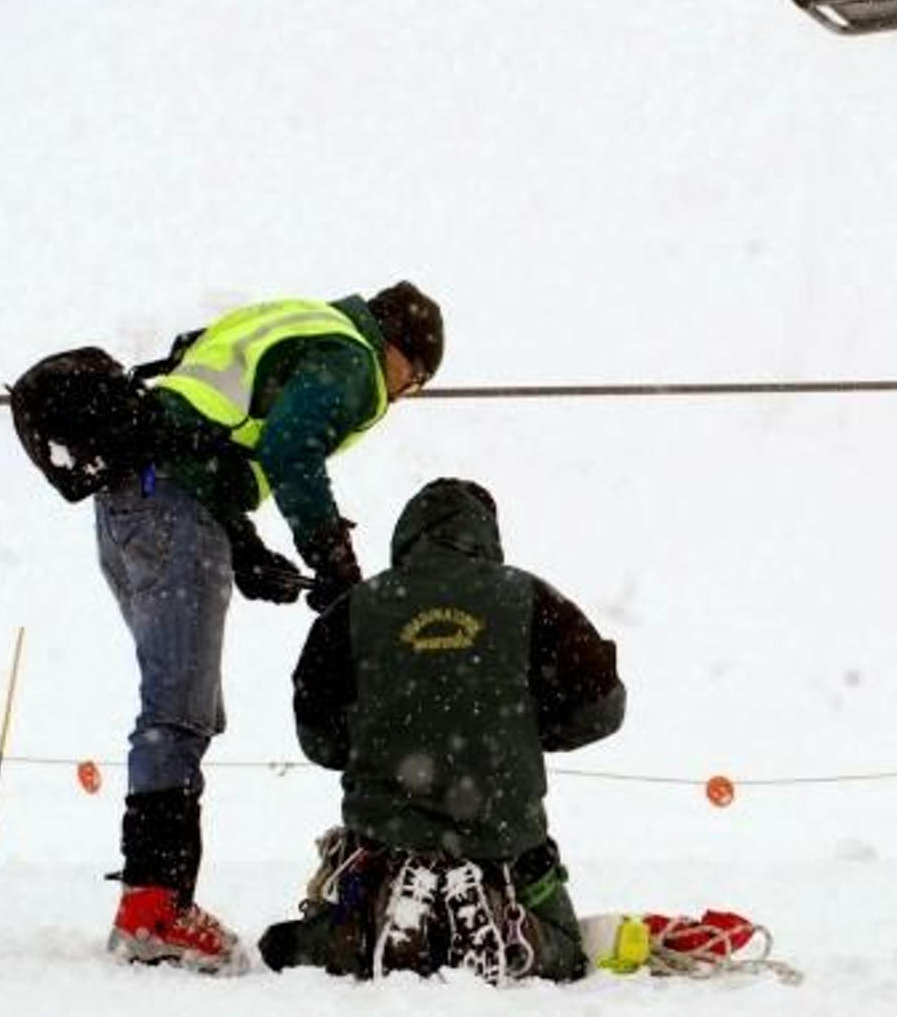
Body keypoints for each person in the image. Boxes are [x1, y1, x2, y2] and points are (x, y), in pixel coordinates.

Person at [101, 283, 445, 973]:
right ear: (398, 351)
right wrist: (333, 557)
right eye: (417, 378)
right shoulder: (351, 359)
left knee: (185, 704)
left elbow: (199, 431)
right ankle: (154, 909)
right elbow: (291, 448)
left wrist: (244, 544)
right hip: (170, 508)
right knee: (178, 712)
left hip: (131, 501)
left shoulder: (292, 322)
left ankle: (153, 901)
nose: (406, 395)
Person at [258, 477, 625, 986]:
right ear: (486, 537)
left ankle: (363, 925)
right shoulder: (532, 597)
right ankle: (513, 927)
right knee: (570, 950)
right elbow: (602, 709)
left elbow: (318, 739)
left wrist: (382, 734)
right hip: (505, 845)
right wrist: (519, 725)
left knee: (283, 943)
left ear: (407, 537)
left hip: (382, 841)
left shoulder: (356, 607)